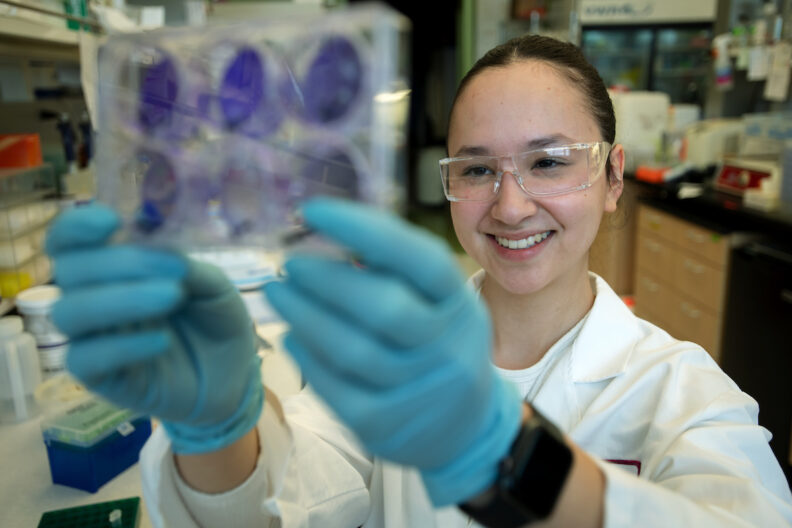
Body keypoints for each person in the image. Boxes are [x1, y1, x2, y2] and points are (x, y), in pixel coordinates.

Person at [46, 35, 792, 527]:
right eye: (476, 169)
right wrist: (217, 428)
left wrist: (512, 460)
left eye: (548, 160)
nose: (510, 204)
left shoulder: (685, 394)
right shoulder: (393, 356)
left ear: (611, 176)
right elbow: (285, 505)